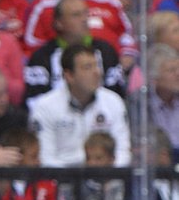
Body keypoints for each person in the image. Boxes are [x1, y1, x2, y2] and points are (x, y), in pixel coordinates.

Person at [28, 40, 131, 168]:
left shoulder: (113, 102)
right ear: (69, 75)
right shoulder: (45, 107)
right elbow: (45, 157)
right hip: (61, 181)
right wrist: (77, 176)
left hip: (105, 178)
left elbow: (122, 153)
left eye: (97, 65)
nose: (97, 72)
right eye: (88, 67)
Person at [24, 0, 125, 99]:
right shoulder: (41, 56)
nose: (84, 19)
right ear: (59, 23)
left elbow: (116, 97)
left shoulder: (106, 51)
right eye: (76, 15)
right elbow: (34, 101)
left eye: (86, 13)